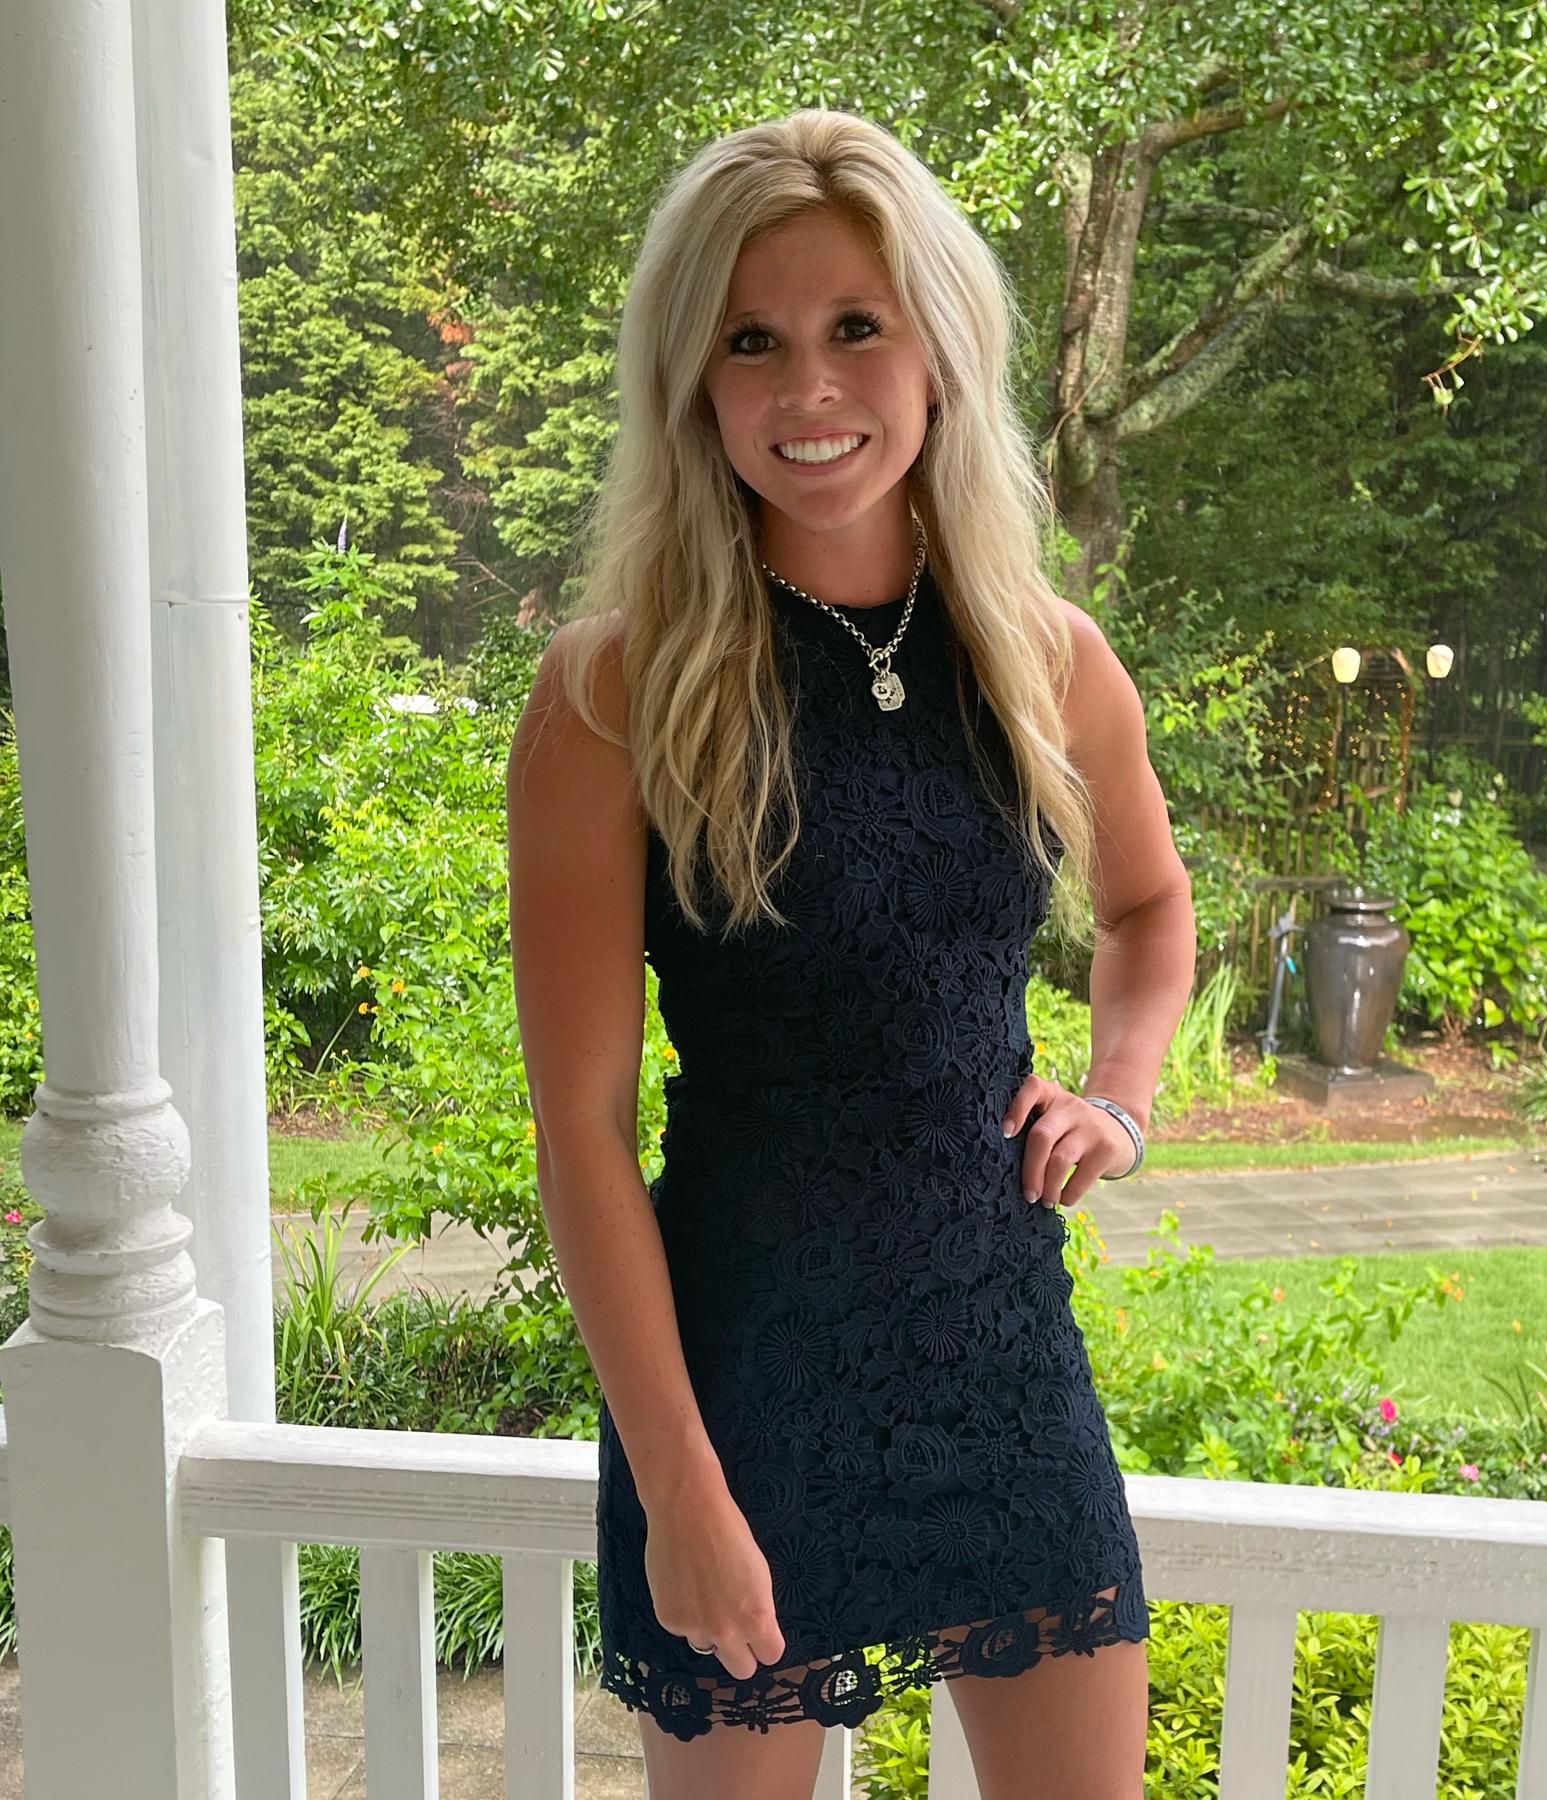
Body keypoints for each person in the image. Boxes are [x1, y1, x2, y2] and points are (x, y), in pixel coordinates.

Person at [506, 106, 1195, 1800]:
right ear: (690, 379)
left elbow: (1146, 911)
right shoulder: (614, 692)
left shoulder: (1043, 656)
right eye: (750, 340)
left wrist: (1117, 1099)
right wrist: (678, 1490)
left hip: (997, 1358)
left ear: (938, 350)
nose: (807, 387)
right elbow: (581, 1130)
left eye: (855, 327)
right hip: (739, 1386)